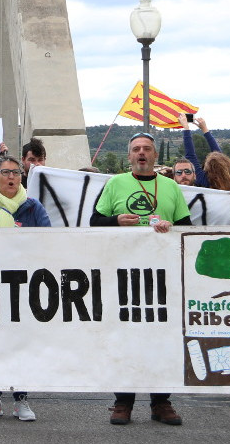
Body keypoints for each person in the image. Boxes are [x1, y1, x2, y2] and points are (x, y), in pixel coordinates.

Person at [90, 132, 190, 427]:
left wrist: (172, 227)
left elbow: (188, 229)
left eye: (147, 149)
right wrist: (115, 221)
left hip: (163, 275)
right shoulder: (115, 184)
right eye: (136, 149)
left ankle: (161, 402)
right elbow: (93, 223)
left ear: (155, 156)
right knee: (126, 338)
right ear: (129, 156)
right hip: (124, 274)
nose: (142, 153)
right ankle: (123, 401)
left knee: (163, 338)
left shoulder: (171, 186)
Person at [0, 154, 50, 421]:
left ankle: (21, 398)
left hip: (26, 287)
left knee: (21, 343)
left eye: (16, 172)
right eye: (6, 172)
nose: (12, 177)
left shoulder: (34, 207)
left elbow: (50, 243)